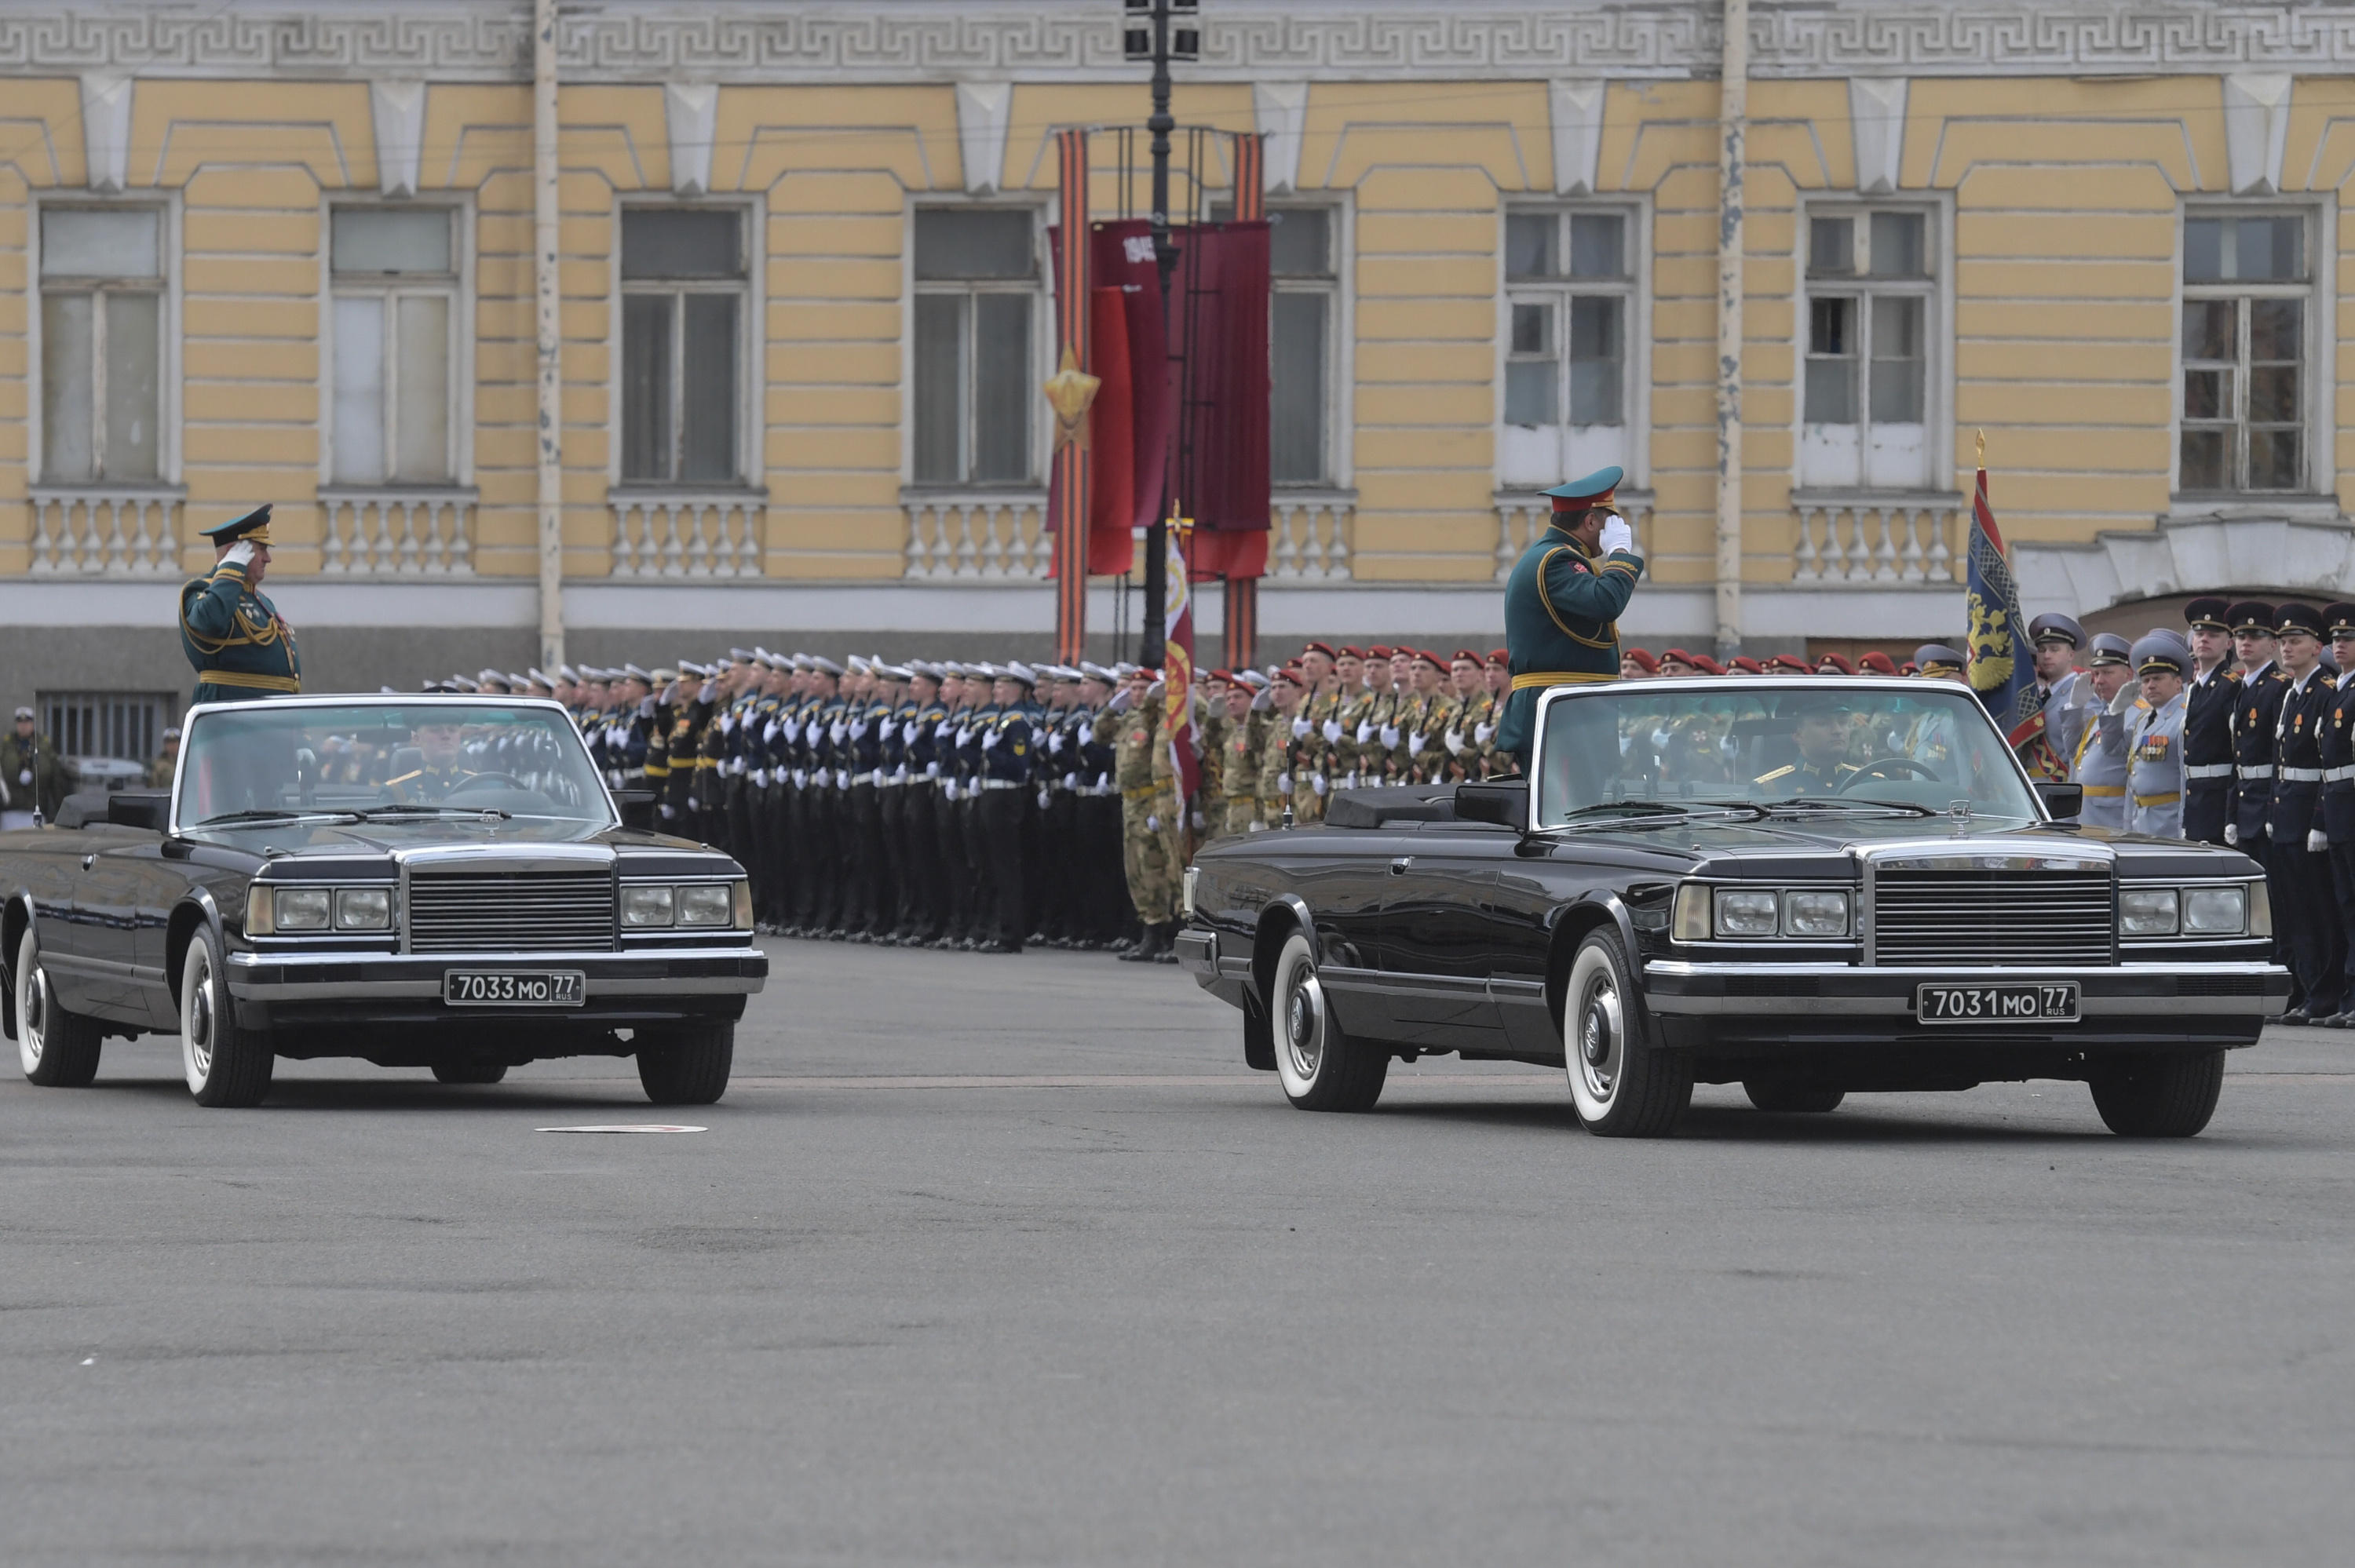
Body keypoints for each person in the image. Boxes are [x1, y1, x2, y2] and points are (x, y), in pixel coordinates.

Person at [1497, 465, 1643, 769]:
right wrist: (1619, 552)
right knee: (1565, 810)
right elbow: (1606, 602)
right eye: (1609, 522)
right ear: (1590, 520)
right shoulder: (1557, 560)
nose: (1614, 528)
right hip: (1564, 719)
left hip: (1569, 715)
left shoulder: (1549, 555)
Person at [2267, 603, 2342, 1023]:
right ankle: (2307, 990)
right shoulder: (2292, 693)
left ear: (2317, 647)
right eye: (2283, 642)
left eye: (2294, 641)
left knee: (2318, 911)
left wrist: (2317, 819)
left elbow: (2324, 763)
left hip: (2309, 813)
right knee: (2295, 910)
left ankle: (2325, 992)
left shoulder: (2324, 690)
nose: (2286, 648)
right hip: (2286, 812)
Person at [181, 504, 301, 706]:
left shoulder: (259, 598)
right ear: (232, 553)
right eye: (261, 549)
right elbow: (210, 621)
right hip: (234, 719)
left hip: (270, 716)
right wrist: (231, 569)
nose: (268, 558)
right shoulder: (201, 590)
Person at [2317, 603, 2355, 1026]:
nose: (2340, 645)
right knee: (2346, 906)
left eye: (2348, 639)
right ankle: (2348, 996)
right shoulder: (2340, 689)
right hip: (2338, 806)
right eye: (2337, 639)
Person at [2180, 596, 2236, 846]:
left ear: (2228, 643)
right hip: (2196, 799)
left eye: (2213, 634)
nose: (2204, 639)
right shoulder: (2196, 688)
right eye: (2199, 633)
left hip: (2219, 800)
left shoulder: (2231, 686)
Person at [2070, 633, 2138, 830]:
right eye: (2096, 674)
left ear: (2129, 675)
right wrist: (2074, 708)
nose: (2099, 681)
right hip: (2087, 816)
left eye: (2107, 673)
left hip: (2112, 819)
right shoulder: (2099, 715)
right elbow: (2072, 753)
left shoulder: (2137, 715)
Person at [2127, 633, 2189, 839]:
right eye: (2145, 680)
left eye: (2158, 678)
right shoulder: (2143, 720)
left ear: (2178, 682)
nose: (2150, 685)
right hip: (2142, 820)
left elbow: (2186, 779)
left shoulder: (2185, 717)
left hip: (2169, 822)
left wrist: (2184, 827)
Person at [1753, 695, 1860, 795]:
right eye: (1822, 723)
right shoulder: (1771, 789)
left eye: (1843, 722)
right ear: (1798, 735)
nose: (1837, 730)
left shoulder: (1869, 783)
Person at [0, 706, 69, 827]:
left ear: (32, 723)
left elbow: (56, 779)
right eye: (20, 722)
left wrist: (62, 809)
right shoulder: (7, 745)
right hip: (10, 810)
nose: (23, 726)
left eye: (27, 722)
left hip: (37, 809)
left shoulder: (44, 746)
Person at [379, 720, 476, 804]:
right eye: (435, 730)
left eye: (452, 730)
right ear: (417, 739)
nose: (446, 736)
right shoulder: (396, 793)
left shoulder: (482, 787)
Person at [144, 725, 183, 789]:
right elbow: (154, 786)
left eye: (175, 742)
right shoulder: (158, 765)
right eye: (169, 743)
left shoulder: (186, 762)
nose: (172, 746)